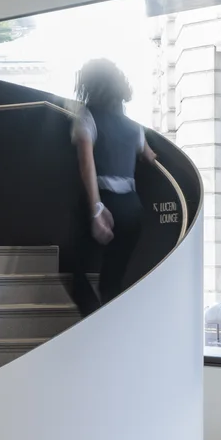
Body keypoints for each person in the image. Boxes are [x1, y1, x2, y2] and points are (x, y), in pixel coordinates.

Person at [67, 58, 159, 317]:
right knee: (112, 279)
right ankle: (107, 330)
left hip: (104, 199)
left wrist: (97, 209)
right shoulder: (134, 128)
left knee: (70, 264)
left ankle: (92, 322)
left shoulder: (87, 117)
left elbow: (87, 165)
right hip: (132, 208)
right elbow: (149, 156)